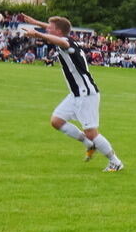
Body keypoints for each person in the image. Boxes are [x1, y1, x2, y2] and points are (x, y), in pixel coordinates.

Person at [21, 14, 124, 172]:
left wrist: (38, 34)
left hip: (86, 94)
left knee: (92, 133)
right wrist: (35, 23)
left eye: (50, 28)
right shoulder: (66, 36)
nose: (47, 29)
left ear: (58, 31)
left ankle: (115, 162)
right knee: (56, 121)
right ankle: (89, 144)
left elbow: (61, 41)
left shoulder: (65, 42)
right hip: (76, 94)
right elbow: (54, 31)